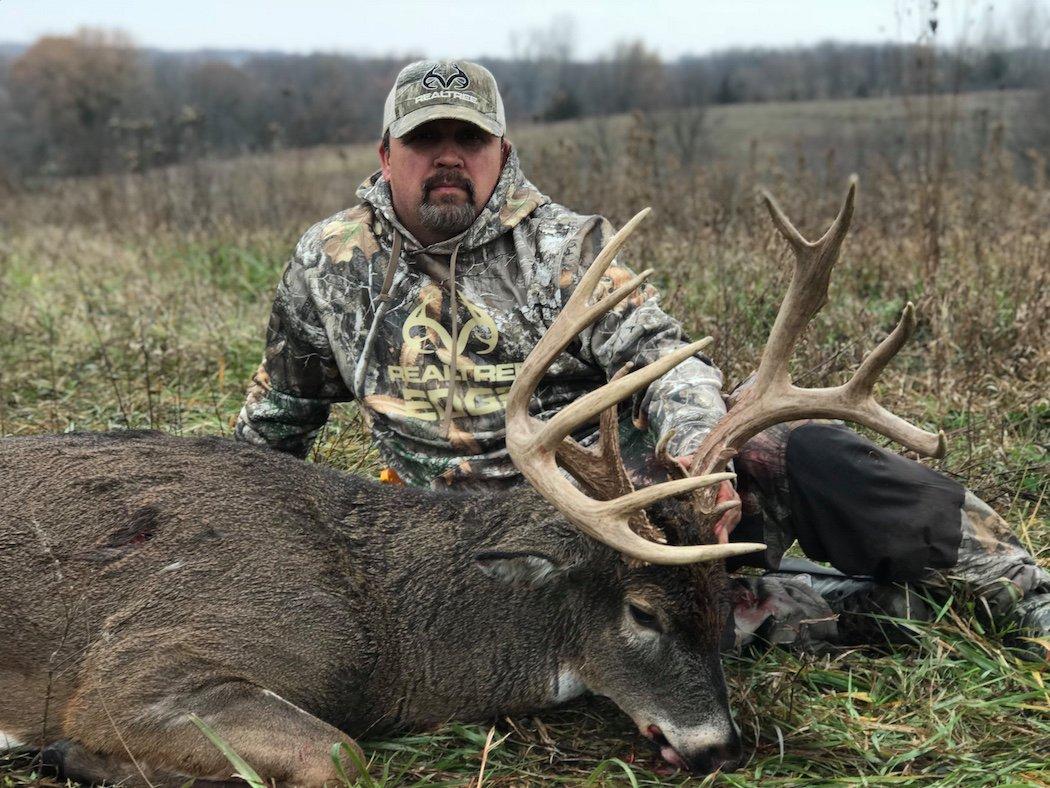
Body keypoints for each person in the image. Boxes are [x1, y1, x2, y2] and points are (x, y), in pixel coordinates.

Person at [235, 59, 1049, 655]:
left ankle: (1020, 589)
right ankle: (854, 610)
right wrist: (225, 522)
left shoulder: (568, 248)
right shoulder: (331, 264)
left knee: (791, 449)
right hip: (472, 560)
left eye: (468, 138)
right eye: (425, 139)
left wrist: (706, 460)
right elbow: (278, 419)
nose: (448, 155)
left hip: (630, 512)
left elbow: (667, 357)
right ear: (386, 155)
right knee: (693, 635)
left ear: (501, 151)